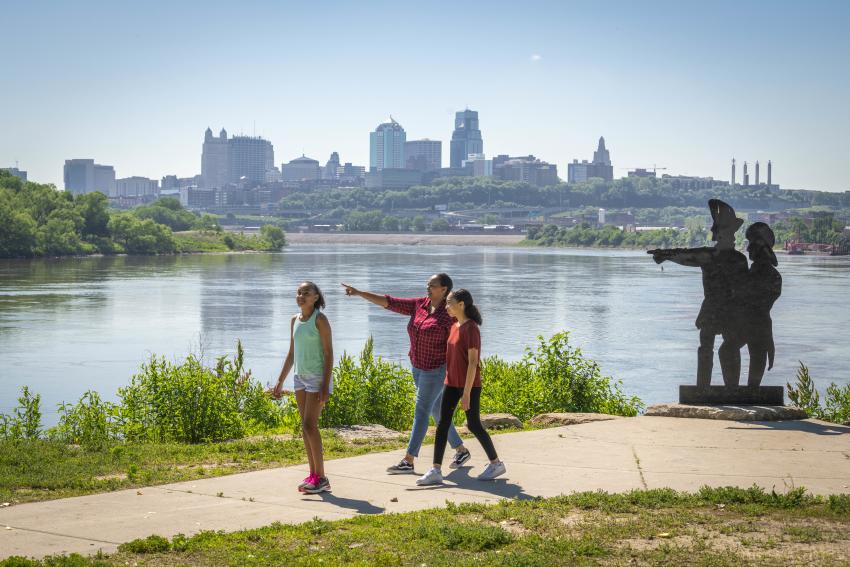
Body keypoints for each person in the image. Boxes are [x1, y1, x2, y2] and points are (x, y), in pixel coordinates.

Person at [341, 274, 470, 474]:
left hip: (436, 370)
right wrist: (359, 293)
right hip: (418, 367)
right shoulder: (419, 305)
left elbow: (458, 344)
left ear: (444, 289)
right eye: (428, 284)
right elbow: (390, 302)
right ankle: (461, 450)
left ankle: (408, 460)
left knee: (421, 412)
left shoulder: (449, 314)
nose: (428, 287)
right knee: (436, 410)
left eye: (432, 285)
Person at [648, 199, 749, 387]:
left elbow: (686, 256)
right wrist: (665, 254)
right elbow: (686, 255)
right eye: (729, 233)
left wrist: (665, 255)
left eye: (732, 233)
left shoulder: (732, 259)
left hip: (726, 310)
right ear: (720, 235)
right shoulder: (716, 256)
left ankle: (727, 387)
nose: (732, 237)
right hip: (718, 309)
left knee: (726, 347)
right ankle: (707, 387)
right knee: (709, 348)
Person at [417, 289, 505, 486]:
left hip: (469, 385)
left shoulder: (471, 329)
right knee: (443, 424)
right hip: (451, 382)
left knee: (473, 424)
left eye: (449, 303)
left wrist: (466, 393)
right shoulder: (455, 326)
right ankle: (436, 470)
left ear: (461, 304)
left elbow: (473, 363)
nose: (446, 307)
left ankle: (496, 463)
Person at [272, 281, 333, 494]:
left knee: (310, 426)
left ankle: (322, 478)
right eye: (299, 292)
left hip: (317, 378)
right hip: (299, 377)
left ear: (316, 297)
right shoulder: (294, 320)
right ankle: (313, 474)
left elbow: (328, 353)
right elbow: (291, 353)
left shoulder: (320, 320)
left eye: (306, 292)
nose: (301, 295)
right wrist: (280, 381)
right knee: (304, 427)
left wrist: (326, 384)